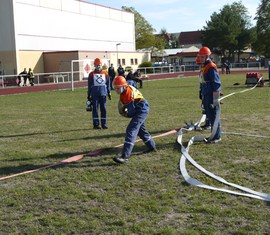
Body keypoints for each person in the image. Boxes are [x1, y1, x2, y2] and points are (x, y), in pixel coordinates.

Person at [112, 75, 156, 164]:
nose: (116, 90)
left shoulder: (128, 95)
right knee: (141, 130)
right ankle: (152, 147)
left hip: (142, 110)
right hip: (139, 108)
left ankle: (125, 156)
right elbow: (131, 82)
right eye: (115, 88)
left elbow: (131, 113)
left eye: (118, 88)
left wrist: (125, 113)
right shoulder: (126, 87)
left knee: (131, 129)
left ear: (124, 86)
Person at [198, 47, 222, 143]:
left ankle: (217, 136)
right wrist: (201, 92)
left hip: (211, 95)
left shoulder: (211, 66)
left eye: (202, 56)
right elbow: (203, 81)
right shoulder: (204, 66)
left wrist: (216, 97)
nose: (201, 58)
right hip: (206, 94)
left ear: (207, 56)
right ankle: (213, 135)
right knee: (209, 115)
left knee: (214, 115)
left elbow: (216, 83)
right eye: (200, 56)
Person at [87, 58, 111, 129]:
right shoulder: (91, 74)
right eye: (97, 65)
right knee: (95, 109)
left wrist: (109, 92)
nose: (98, 66)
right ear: (94, 65)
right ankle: (96, 124)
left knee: (103, 109)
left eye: (99, 65)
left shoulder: (105, 73)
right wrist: (89, 95)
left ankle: (104, 124)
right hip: (95, 95)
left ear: (101, 65)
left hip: (103, 94)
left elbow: (108, 83)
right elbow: (89, 85)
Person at [196, 55, 211, 130]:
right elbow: (201, 82)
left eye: (201, 64)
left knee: (208, 108)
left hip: (208, 91)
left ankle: (209, 123)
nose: (200, 66)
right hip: (204, 90)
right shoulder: (202, 70)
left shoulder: (207, 69)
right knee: (205, 108)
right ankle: (207, 123)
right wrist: (200, 91)